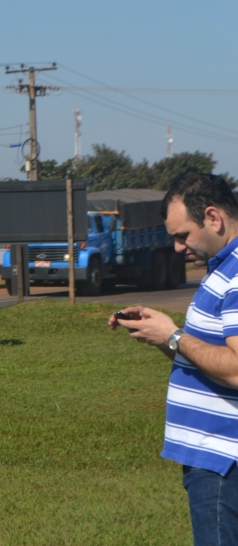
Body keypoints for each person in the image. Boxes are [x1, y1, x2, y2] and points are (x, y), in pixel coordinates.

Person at [109, 173, 238, 545]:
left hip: (221, 462)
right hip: (213, 459)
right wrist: (160, 336)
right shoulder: (221, 268)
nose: (178, 248)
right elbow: (206, 355)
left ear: (213, 218)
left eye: (183, 235)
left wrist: (175, 335)